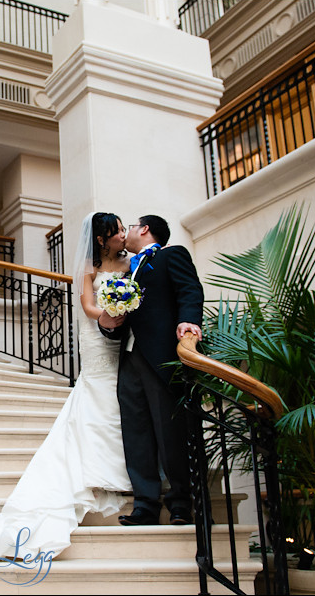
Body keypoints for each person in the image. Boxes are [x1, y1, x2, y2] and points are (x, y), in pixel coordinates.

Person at [0, 212, 134, 559]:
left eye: (123, 229)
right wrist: (108, 313)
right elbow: (88, 306)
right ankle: (99, 477)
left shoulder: (130, 262)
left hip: (124, 339)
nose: (122, 234)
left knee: (121, 401)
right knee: (99, 399)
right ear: (101, 239)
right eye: (116, 230)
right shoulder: (89, 270)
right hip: (96, 340)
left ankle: (125, 475)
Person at [98, 215, 204, 526]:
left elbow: (189, 289)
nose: (126, 231)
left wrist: (189, 321)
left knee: (171, 432)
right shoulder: (126, 269)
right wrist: (108, 325)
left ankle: (182, 503)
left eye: (130, 225)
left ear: (144, 229)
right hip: (129, 357)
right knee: (136, 433)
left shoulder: (172, 255)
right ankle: (145, 504)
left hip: (161, 356)